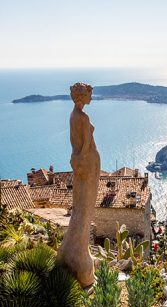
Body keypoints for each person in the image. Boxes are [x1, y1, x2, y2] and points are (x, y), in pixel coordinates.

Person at [57, 82, 100, 288]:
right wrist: (83, 164)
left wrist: (77, 162)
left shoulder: (74, 115)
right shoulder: (82, 118)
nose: (92, 97)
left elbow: (76, 145)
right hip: (86, 164)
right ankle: (81, 262)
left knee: (82, 209)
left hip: (81, 164)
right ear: (82, 97)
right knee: (85, 209)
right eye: (89, 94)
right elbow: (83, 146)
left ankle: (72, 252)